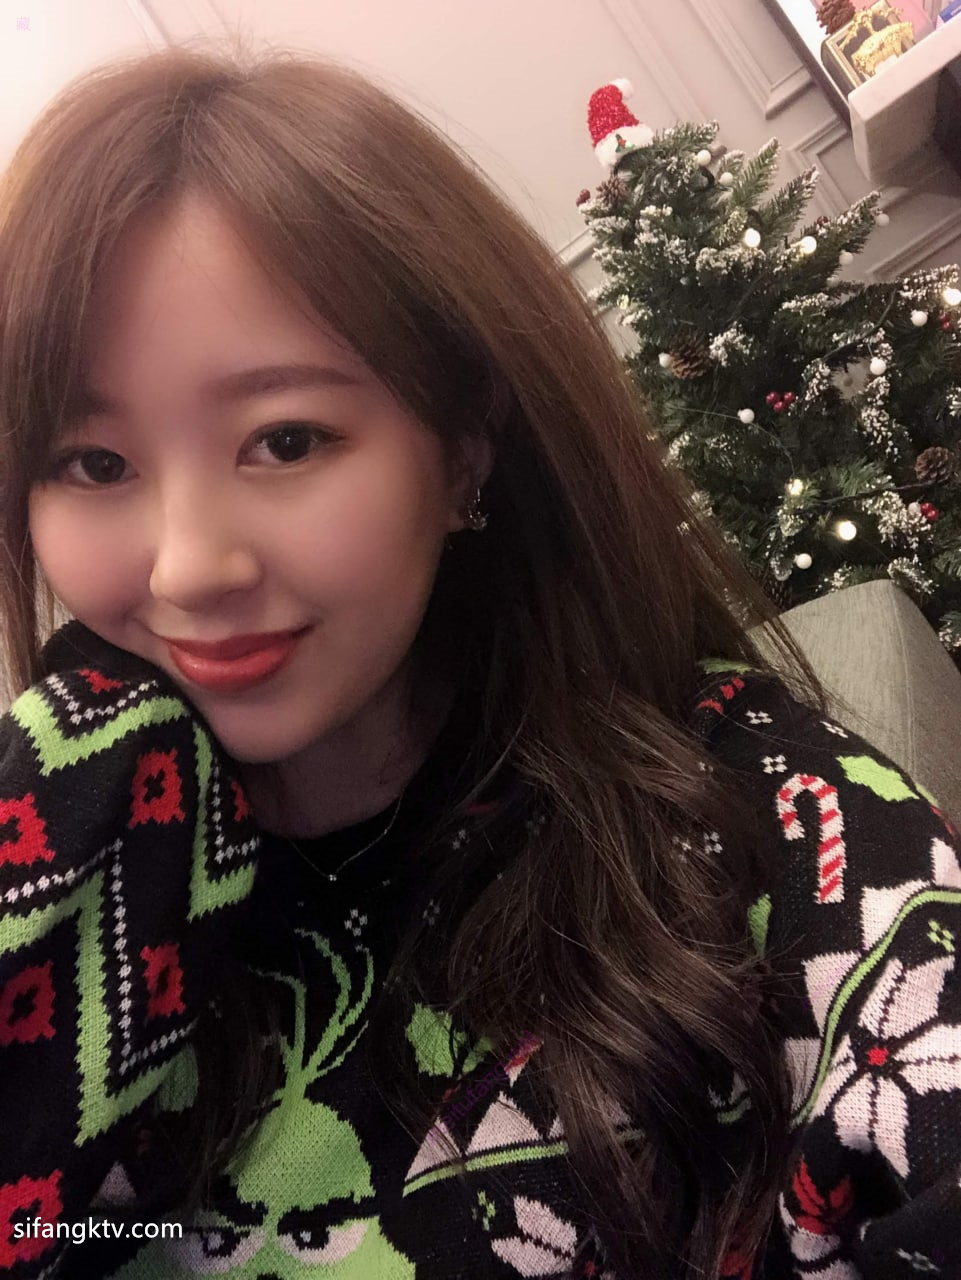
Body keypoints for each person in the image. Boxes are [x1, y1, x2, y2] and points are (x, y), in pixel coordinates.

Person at [0, 37, 959, 1280]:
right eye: (96, 463)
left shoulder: (771, 823)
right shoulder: (73, 832)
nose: (187, 568)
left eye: (285, 439)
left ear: (462, 449)